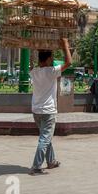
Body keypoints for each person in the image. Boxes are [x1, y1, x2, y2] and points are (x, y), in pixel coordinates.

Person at [29, 38, 72, 176]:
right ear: (47, 60)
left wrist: (37, 47)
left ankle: (51, 161)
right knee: (45, 138)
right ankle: (36, 166)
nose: (53, 60)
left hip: (36, 111)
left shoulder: (34, 72)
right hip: (48, 112)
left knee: (45, 137)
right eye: (52, 58)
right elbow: (69, 62)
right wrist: (65, 45)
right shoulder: (51, 71)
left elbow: (33, 64)